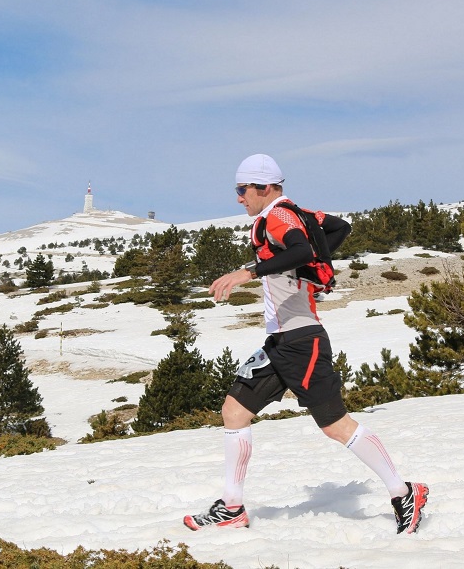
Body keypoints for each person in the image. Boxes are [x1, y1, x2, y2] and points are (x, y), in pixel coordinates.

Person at [183, 154, 429, 534]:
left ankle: (404, 491)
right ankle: (232, 508)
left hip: (302, 341)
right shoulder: (292, 213)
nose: (238, 198)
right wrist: (310, 265)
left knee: (335, 425)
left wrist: (248, 271)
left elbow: (300, 249)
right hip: (281, 341)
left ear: (264, 188)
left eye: (242, 189)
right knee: (234, 411)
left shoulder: (278, 217)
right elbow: (339, 227)